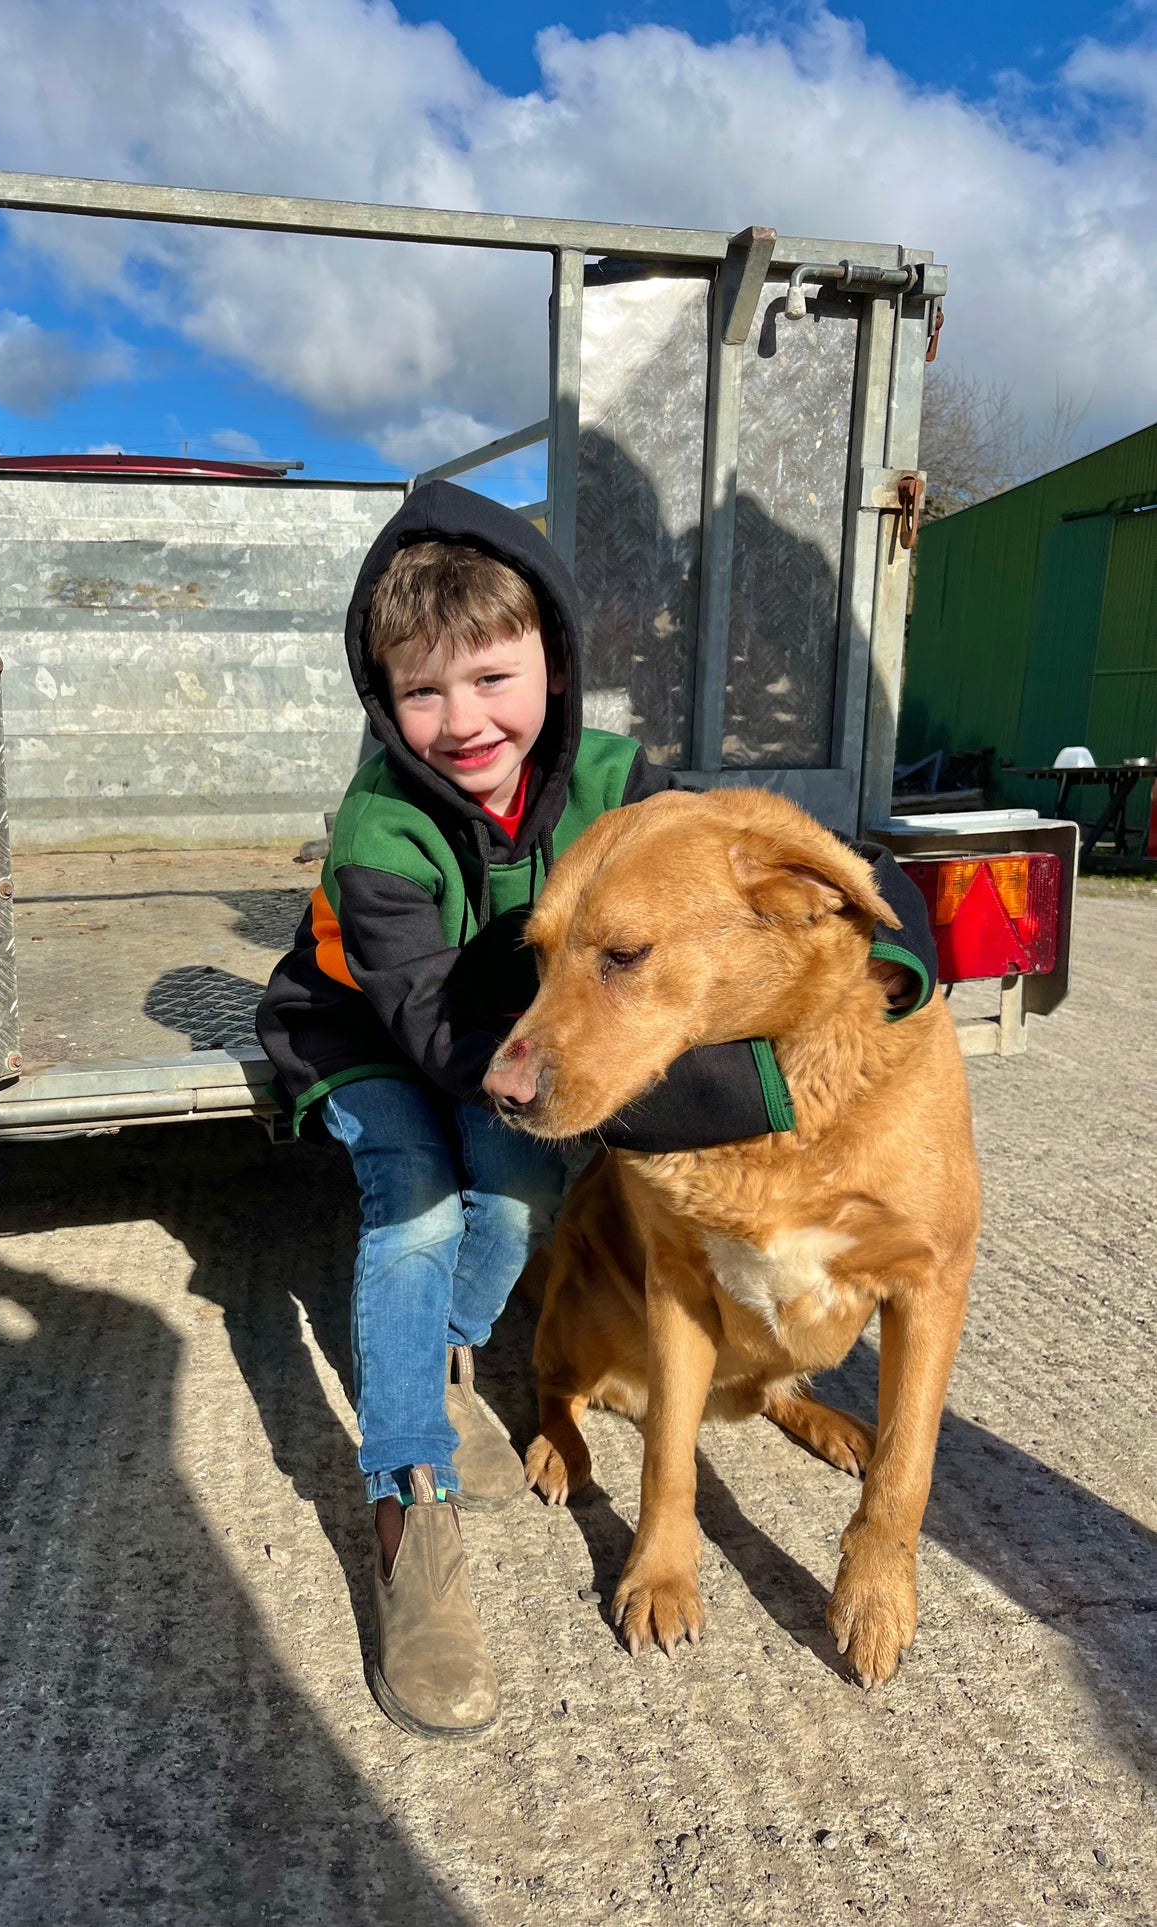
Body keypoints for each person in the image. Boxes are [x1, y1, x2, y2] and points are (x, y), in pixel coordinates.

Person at [257, 483, 936, 1740]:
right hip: (375, 1038)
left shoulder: (620, 785)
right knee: (418, 1207)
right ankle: (408, 1496)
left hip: (512, 1032)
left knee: (519, 1188)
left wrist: (899, 954)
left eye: (492, 678)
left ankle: (448, 1343)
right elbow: (439, 1034)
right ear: (382, 702)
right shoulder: (378, 830)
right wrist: (757, 1087)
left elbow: (774, 849)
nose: (463, 720)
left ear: (555, 665)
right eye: (420, 692)